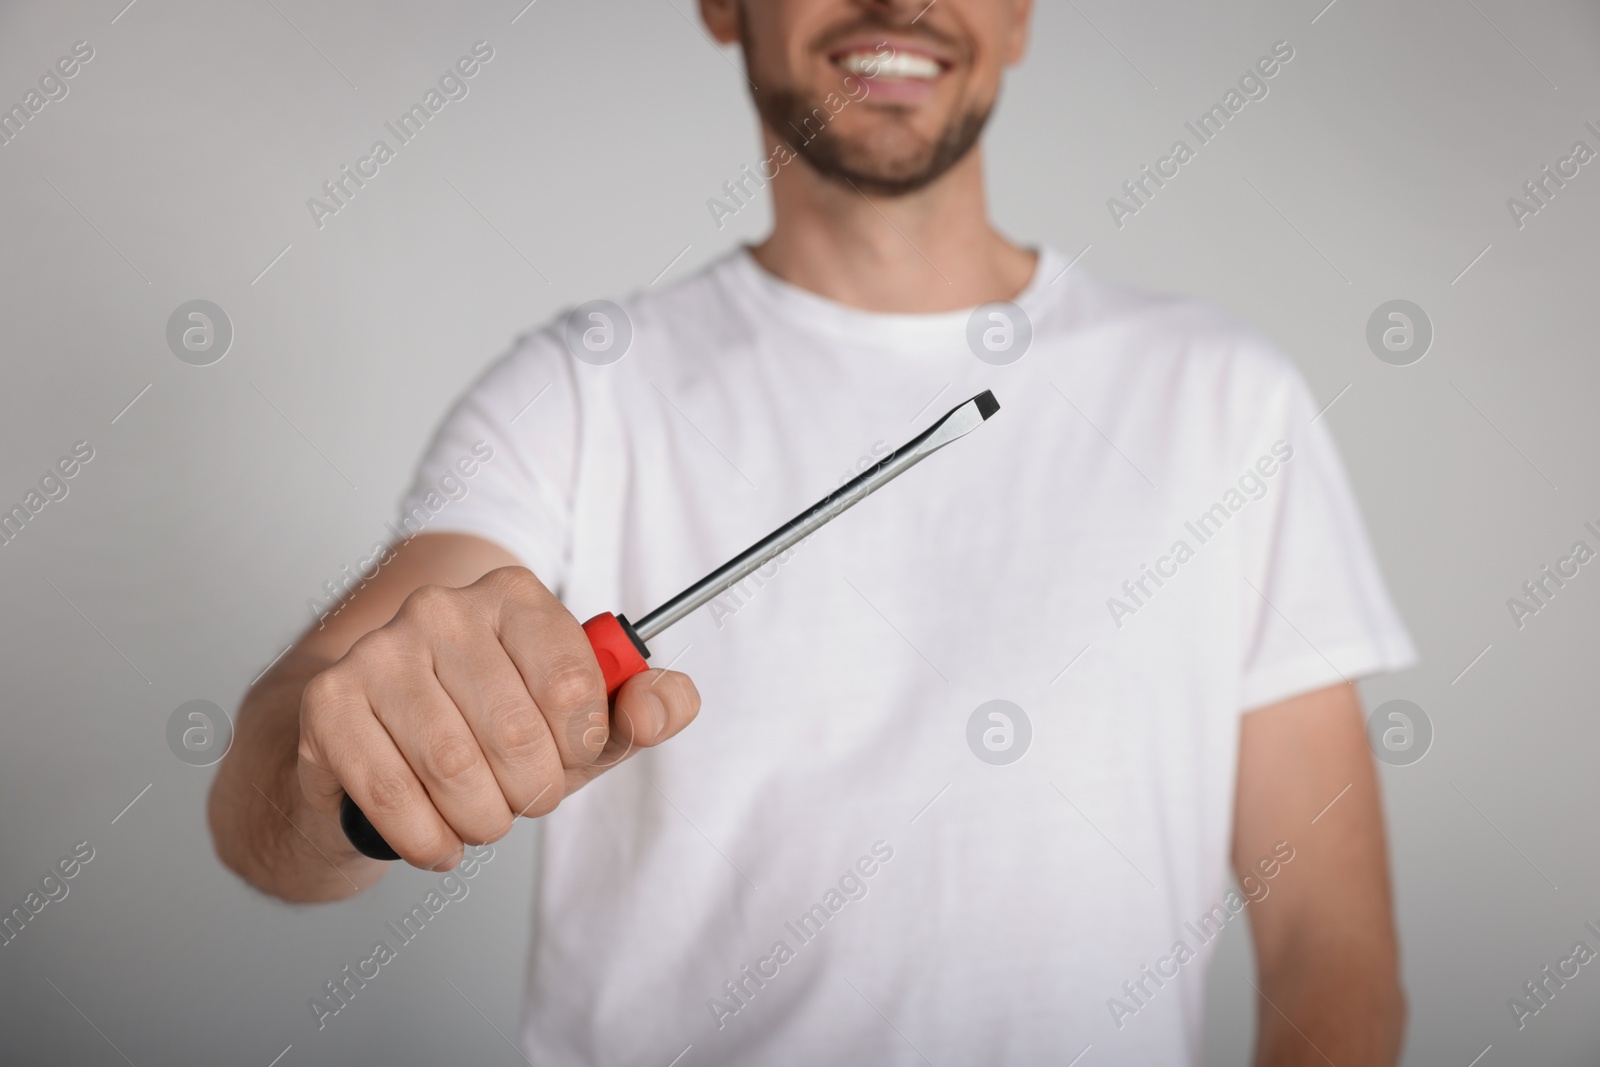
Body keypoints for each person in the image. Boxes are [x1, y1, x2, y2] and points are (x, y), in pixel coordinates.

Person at [209, 1, 1415, 1063]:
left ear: (1021, 15)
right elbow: (266, 807)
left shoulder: (1222, 394)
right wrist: (341, 757)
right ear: (722, 4)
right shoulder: (581, 388)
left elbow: (1330, 947)